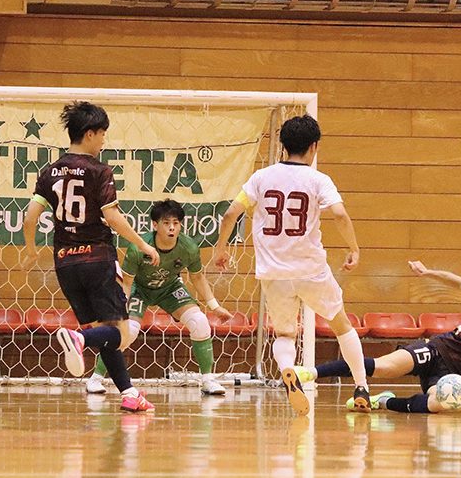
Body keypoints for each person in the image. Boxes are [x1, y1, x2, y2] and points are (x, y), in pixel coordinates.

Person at [212, 114, 372, 416]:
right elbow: (339, 214)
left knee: (285, 334)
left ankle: (288, 369)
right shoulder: (318, 180)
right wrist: (354, 248)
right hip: (311, 270)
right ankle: (361, 387)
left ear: (282, 146)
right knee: (342, 326)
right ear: (314, 147)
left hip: (274, 273)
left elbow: (231, 213)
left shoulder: (261, 178)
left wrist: (221, 249)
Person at [21, 101, 161, 413]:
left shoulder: (49, 172)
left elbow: (30, 217)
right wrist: (143, 244)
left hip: (65, 263)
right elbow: (112, 217)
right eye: (102, 134)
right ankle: (78, 340)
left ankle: (129, 394)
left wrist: (31, 249)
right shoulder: (99, 171)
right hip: (97, 260)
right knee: (120, 334)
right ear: (89, 133)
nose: (103, 141)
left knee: (102, 333)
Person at [288, 261, 461, 414]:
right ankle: (307, 373)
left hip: (455, 377)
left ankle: (382, 401)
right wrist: (428, 273)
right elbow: (460, 282)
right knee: (382, 367)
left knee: (440, 405)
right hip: (439, 349)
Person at [85, 199, 235, 396]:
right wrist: (119, 310)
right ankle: (95, 378)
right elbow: (127, 284)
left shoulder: (189, 247)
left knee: (200, 322)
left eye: (176, 223)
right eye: (166, 223)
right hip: (139, 288)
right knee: (126, 332)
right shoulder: (138, 248)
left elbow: (197, 278)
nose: (172, 228)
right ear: (155, 225)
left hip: (169, 288)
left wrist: (215, 307)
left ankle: (208, 380)